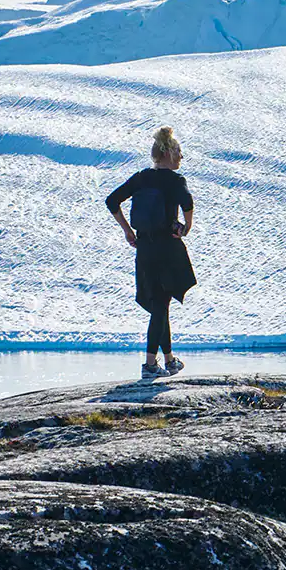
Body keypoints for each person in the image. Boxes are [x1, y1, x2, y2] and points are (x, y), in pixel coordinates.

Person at [105, 125, 197, 379]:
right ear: (167, 153)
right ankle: (149, 365)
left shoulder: (141, 178)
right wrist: (187, 226)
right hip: (167, 246)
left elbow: (112, 201)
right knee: (161, 304)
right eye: (178, 151)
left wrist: (127, 231)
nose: (181, 156)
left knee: (159, 303)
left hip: (144, 247)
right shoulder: (176, 180)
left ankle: (168, 360)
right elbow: (187, 203)